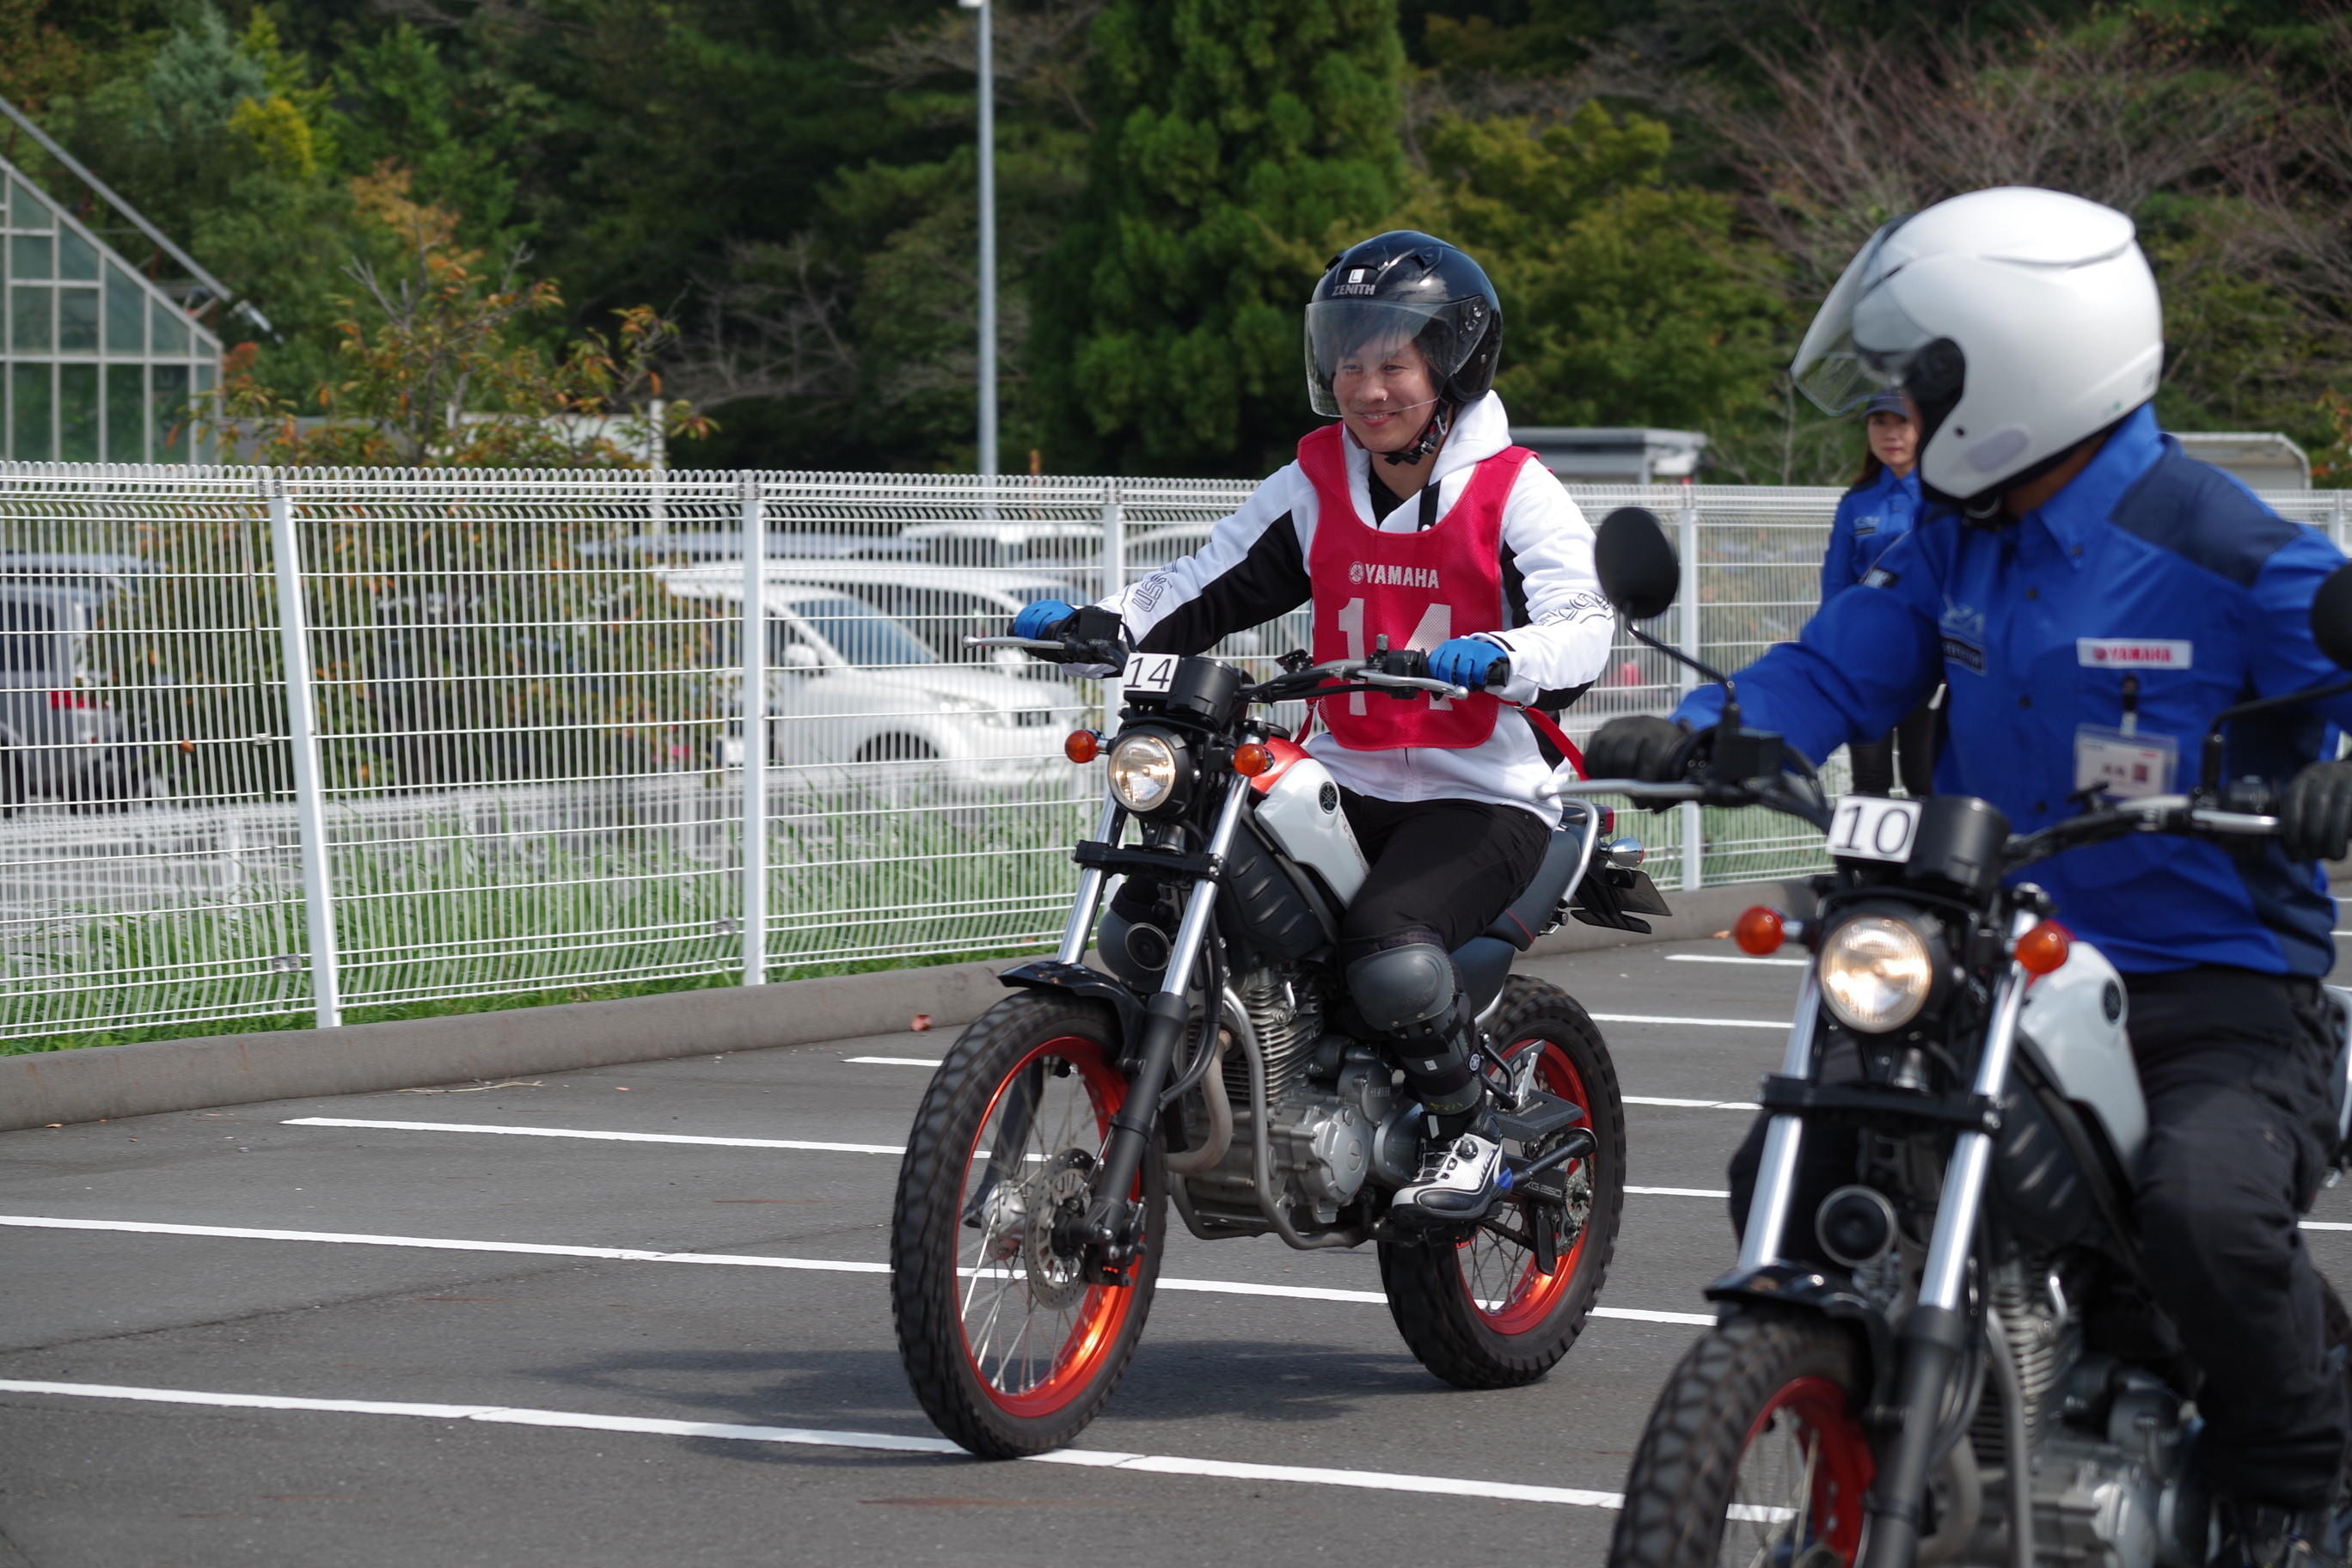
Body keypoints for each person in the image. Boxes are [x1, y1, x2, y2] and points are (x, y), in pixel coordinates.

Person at [1585, 187, 2352, 1567]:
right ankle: (1901, 1423)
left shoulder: (2224, 549)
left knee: (2207, 1216)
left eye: (1919, 381)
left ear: (2016, 374)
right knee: (1799, 1159)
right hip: (1999, 958)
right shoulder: (1956, 528)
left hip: (2216, 989)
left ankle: (2293, 1499)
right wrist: (1715, 732)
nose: (1899, 409)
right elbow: (1844, 657)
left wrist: (2333, 778)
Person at [1012, 230, 1615, 1224]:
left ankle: (1469, 1128)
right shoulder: (1316, 479)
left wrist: (1504, 655)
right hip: (1346, 769)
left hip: (1480, 791)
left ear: (1451, 367)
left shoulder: (1518, 491)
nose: (1368, 389)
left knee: (1391, 953)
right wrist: (1107, 624)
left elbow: (1586, 625)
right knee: (1179, 884)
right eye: (1349, 364)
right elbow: (1205, 582)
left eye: (1394, 365)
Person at [1822, 389, 1936, 796]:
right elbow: (1836, 584)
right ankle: (1867, 864)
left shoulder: (1944, 498)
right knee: (1869, 779)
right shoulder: (1856, 502)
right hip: (1866, 658)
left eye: (1901, 422)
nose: (1890, 433)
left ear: (1922, 428)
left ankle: (1928, 862)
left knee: (1925, 777)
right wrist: (1835, 647)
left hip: (1931, 659)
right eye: (1879, 422)